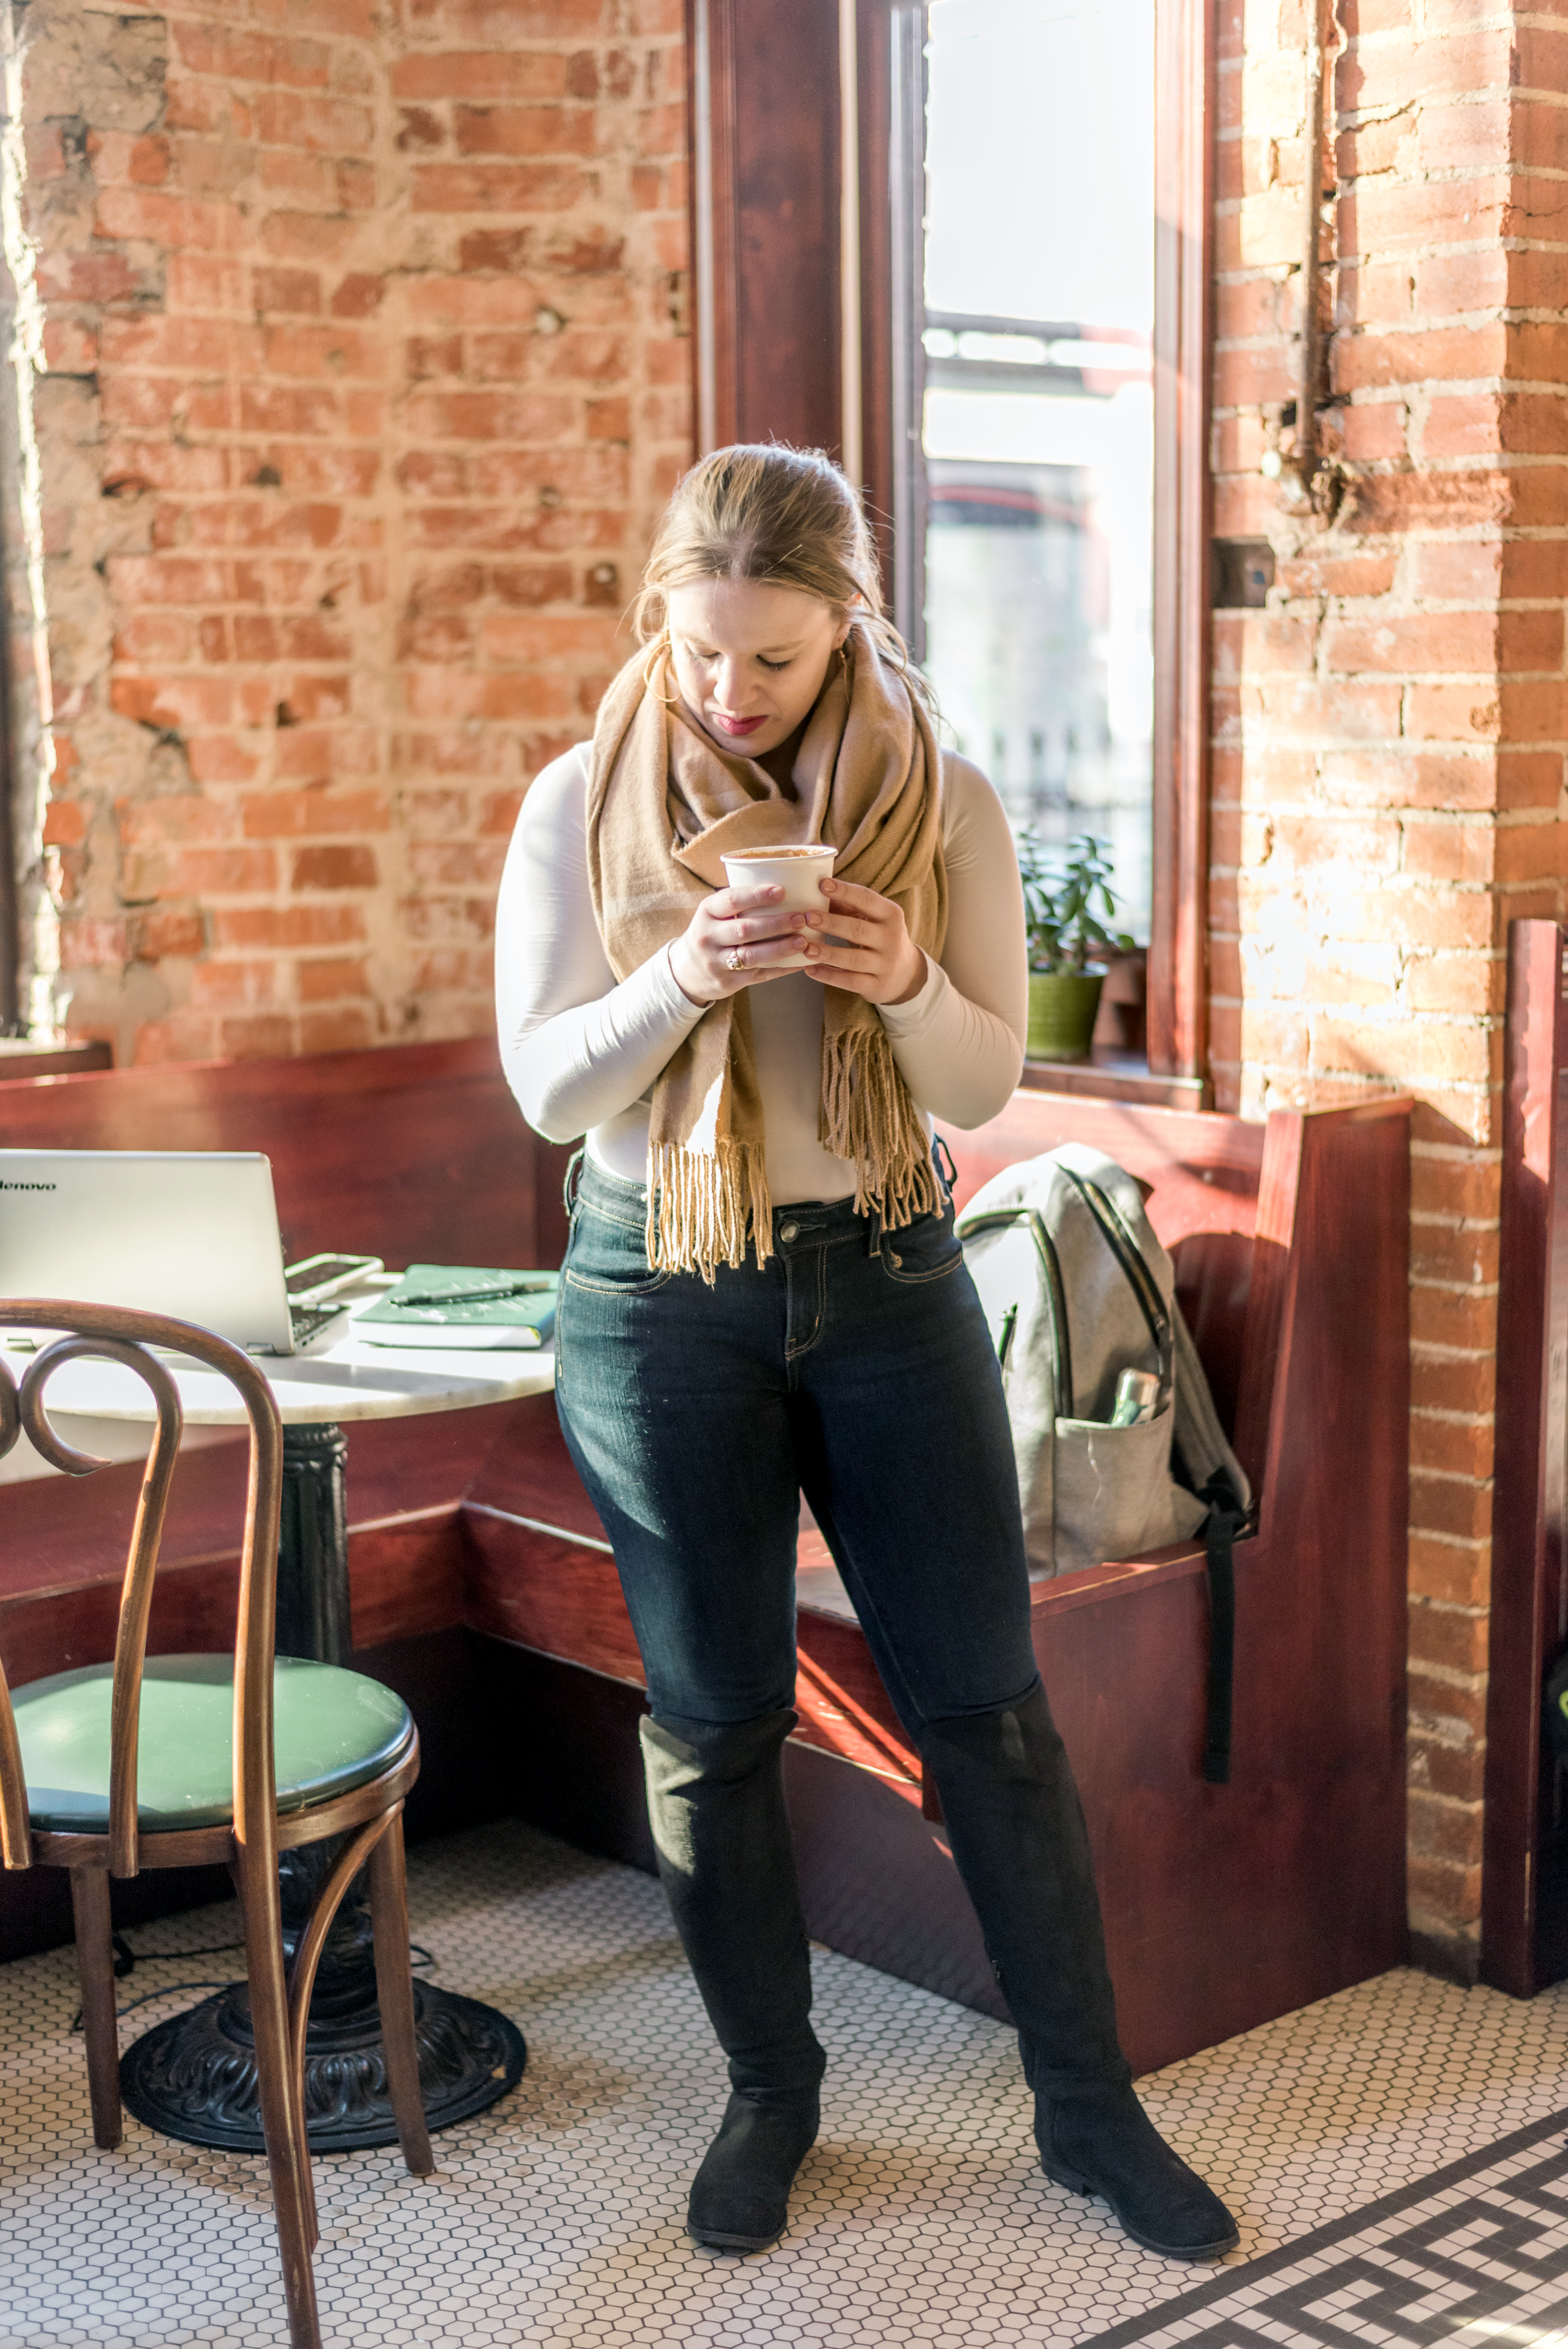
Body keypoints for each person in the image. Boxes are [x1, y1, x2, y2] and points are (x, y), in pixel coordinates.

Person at [496, 444, 1237, 2262]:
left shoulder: (948, 806)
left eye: (773, 659)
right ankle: (773, 2093)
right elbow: (545, 1089)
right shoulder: (579, 804)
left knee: (988, 1715)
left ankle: (1089, 2111)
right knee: (719, 1721)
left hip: (895, 1277)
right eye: (700, 655)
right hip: (661, 1294)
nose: (730, 696)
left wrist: (902, 973)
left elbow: (981, 1083)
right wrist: (687, 978)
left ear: (852, 629)